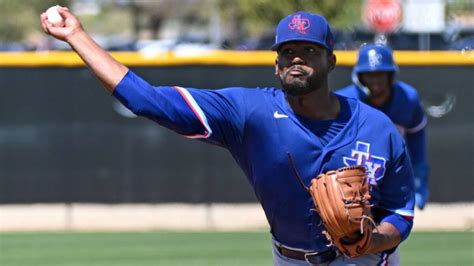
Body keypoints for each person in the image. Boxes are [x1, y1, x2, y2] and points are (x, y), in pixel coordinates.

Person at [41, 8, 415, 265]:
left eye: (309, 50)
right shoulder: (248, 113)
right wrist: (76, 36)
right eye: (287, 51)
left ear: (330, 62)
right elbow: (146, 100)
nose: (296, 59)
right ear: (276, 64)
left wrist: (373, 239)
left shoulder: (376, 127)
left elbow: (400, 213)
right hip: (289, 257)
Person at [336, 43, 429, 210]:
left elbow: (417, 138)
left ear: (391, 76)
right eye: (369, 75)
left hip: (390, 172)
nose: (375, 80)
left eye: (381, 74)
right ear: (359, 76)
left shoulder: (407, 99)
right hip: (353, 173)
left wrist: (419, 180)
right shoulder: (344, 101)